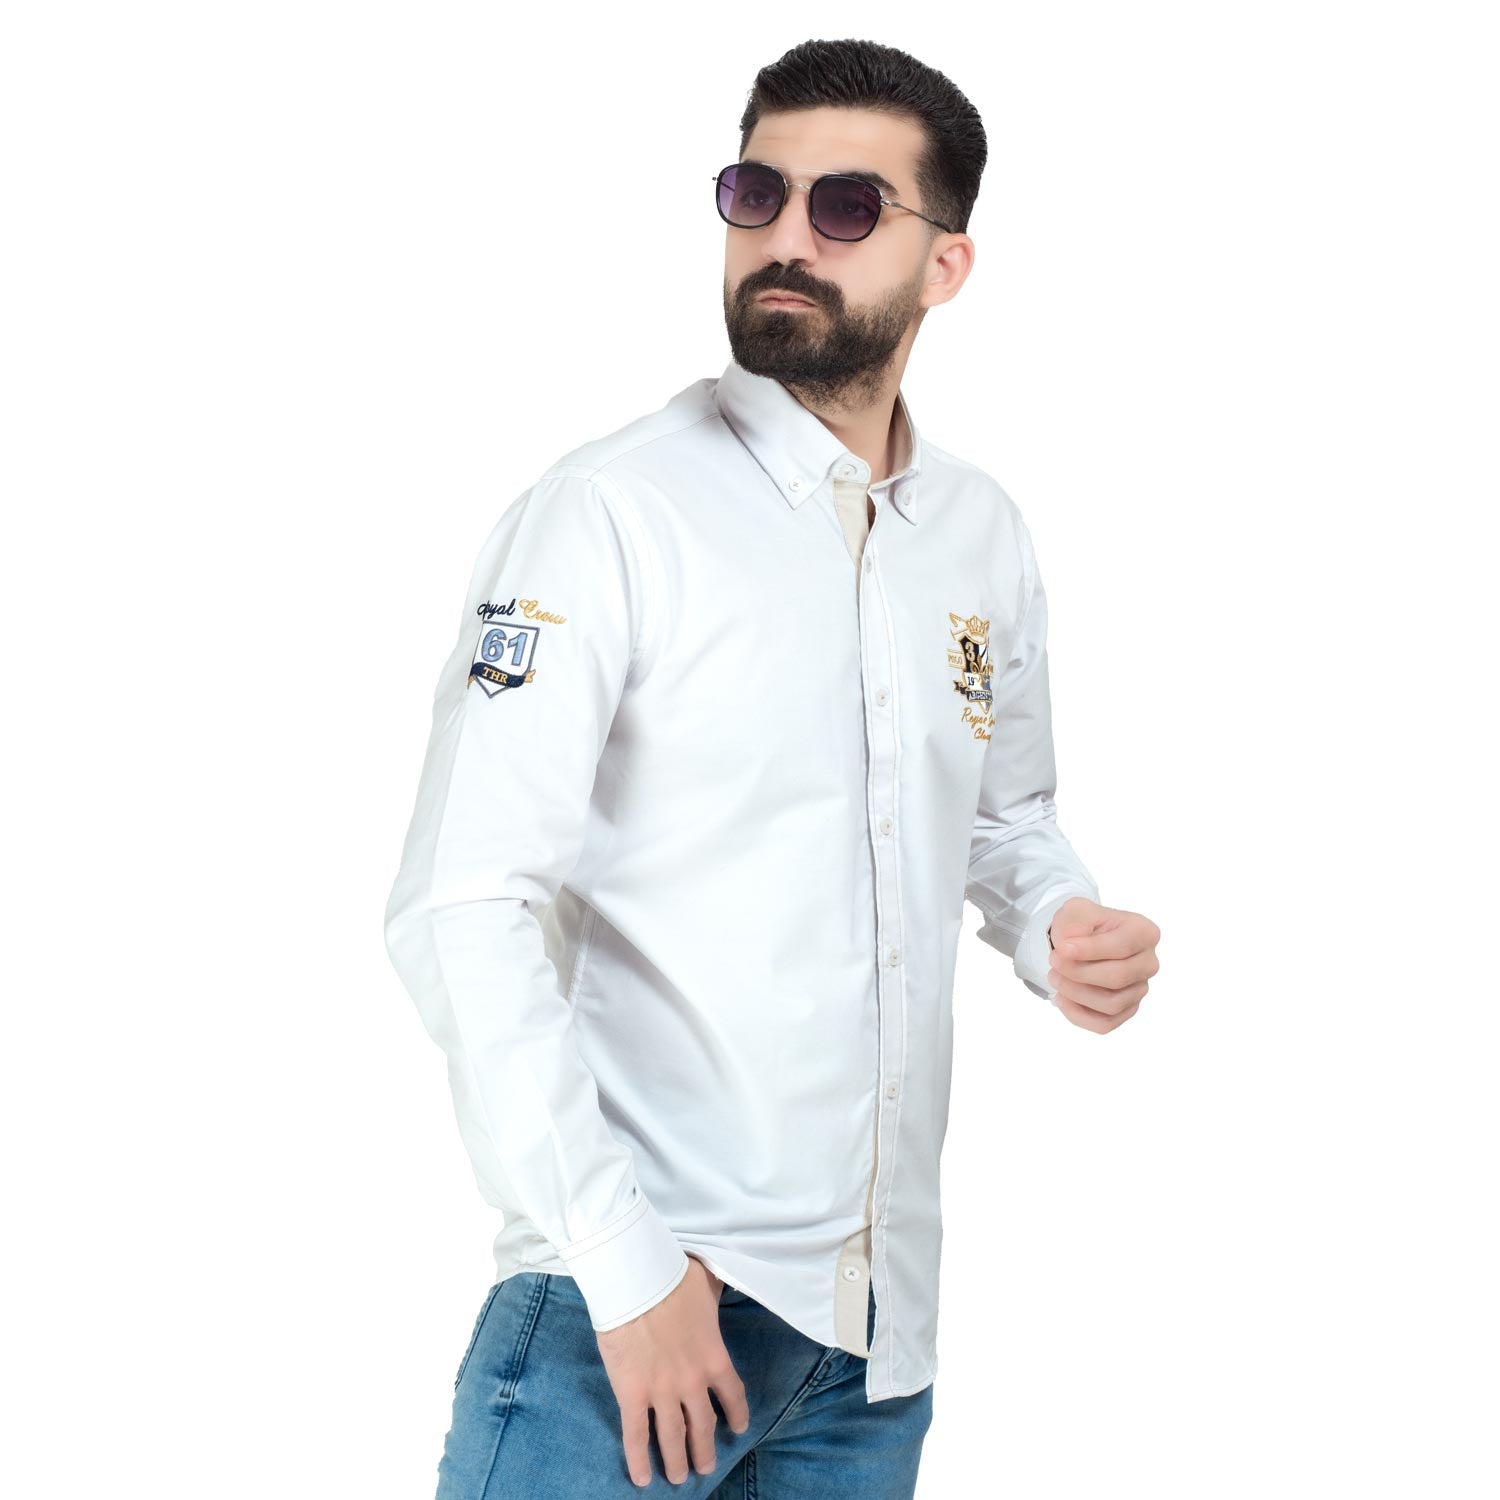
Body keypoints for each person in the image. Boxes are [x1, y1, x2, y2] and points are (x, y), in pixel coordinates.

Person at [383, 36, 1162, 1499]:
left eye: (849, 206)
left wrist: (1059, 921)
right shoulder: (611, 514)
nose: (788, 236)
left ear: (946, 264)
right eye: (759, 193)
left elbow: (1006, 813)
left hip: (871, 1354)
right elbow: (462, 906)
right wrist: (627, 1274)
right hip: (624, 1327)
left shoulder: (977, 533)